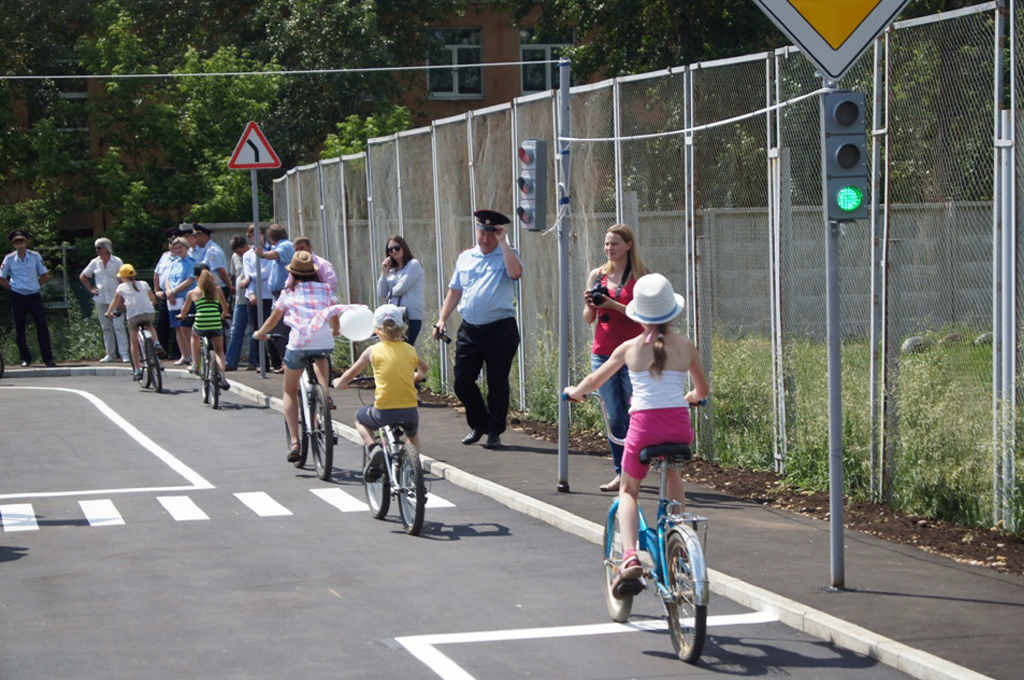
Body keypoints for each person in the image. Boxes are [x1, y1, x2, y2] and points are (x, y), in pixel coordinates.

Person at [564, 273, 709, 591]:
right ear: (672, 313)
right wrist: (692, 399)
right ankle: (678, 533)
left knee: (628, 491)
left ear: (638, 314)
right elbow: (702, 390)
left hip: (643, 429)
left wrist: (575, 391)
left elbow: (595, 381)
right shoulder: (687, 347)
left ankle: (630, 556)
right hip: (678, 429)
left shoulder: (629, 349)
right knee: (672, 472)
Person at [432, 209, 523, 450]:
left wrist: (504, 242)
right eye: (482, 232)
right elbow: (455, 290)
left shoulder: (507, 254)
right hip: (470, 329)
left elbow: (515, 273)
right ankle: (479, 423)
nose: (485, 238)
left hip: (500, 329)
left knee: (497, 383)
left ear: (499, 234)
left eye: (491, 234)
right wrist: (442, 319)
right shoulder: (466, 257)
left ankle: (495, 430)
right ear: (477, 231)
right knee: (462, 381)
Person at [253, 251, 340, 462]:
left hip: (298, 343)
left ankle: (294, 442)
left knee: (289, 391)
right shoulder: (326, 289)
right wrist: (335, 330)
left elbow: (274, 319)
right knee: (321, 357)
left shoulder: (288, 293)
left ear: (293, 273)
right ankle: (324, 395)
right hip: (323, 342)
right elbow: (335, 313)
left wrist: (261, 333)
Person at [584, 224, 649, 492]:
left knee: (635, 414)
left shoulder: (642, 277)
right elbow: (589, 319)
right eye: (607, 244)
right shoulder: (597, 275)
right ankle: (621, 473)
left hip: (634, 353)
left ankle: (636, 470)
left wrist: (614, 305)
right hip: (603, 353)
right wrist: (591, 305)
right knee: (614, 417)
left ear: (628, 245)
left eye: (615, 244)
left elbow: (646, 317)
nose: (609, 248)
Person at [334, 304, 428, 481]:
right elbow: (424, 370)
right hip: (409, 410)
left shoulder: (372, 351)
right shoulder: (410, 350)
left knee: (360, 418)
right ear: (402, 327)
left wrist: (338, 383)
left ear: (376, 330)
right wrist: (413, 377)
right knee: (412, 435)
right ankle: (413, 471)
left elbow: (349, 374)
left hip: (383, 411)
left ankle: (373, 448)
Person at [0, 229, 56, 367]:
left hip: (33, 295)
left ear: (26, 243)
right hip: (18, 295)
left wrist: (35, 285)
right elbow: (1, 278)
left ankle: (48, 358)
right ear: (14, 245)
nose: (20, 245)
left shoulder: (35, 256)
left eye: (22, 242)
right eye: (17, 243)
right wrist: (12, 288)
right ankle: (25, 358)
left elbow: (45, 275)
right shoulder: (9, 258)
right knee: (19, 328)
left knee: (42, 326)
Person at [106, 263, 159, 381]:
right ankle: (156, 343)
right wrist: (152, 304)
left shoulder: (121, 287)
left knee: (134, 342)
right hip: (149, 313)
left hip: (134, 316)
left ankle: (137, 369)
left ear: (123, 277)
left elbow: (114, 302)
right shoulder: (144, 284)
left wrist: (109, 313)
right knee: (150, 325)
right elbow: (153, 299)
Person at [179, 266, 230, 390]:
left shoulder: (192, 293)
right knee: (219, 351)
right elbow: (225, 308)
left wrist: (182, 315)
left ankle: (195, 364)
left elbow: (184, 310)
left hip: (201, 324)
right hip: (215, 324)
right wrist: (223, 315)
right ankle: (222, 376)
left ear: (197, 278)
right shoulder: (218, 290)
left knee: (194, 335)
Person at [80, 237, 129, 363]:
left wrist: (122, 299)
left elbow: (122, 280)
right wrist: (91, 289)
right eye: (96, 248)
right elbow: (83, 276)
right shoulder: (94, 262)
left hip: (115, 298)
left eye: (99, 247)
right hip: (101, 299)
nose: (96, 250)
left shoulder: (117, 261)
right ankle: (110, 354)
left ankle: (124, 354)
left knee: (119, 327)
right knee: (106, 327)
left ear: (106, 248)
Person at [243, 223, 280, 371]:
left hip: (268, 294)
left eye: (258, 234)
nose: (255, 237)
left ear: (263, 234)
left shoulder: (271, 251)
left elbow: (267, 271)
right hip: (253, 295)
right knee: (256, 329)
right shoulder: (247, 254)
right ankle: (261, 363)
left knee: (270, 329)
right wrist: (251, 292)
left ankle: (276, 362)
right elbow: (247, 275)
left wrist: (250, 278)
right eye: (252, 235)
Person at [376, 235, 425, 345]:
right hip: (393, 316)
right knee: (392, 349)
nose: (393, 251)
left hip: (409, 316)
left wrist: (389, 293)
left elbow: (400, 289)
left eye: (397, 248)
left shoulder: (413, 264)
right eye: (390, 250)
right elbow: (381, 292)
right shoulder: (392, 270)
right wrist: (384, 273)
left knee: (406, 348)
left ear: (403, 248)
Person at [163, 236, 197, 366]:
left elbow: (189, 281)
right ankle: (185, 355)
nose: (178, 250)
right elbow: (168, 279)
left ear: (186, 248)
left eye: (180, 248)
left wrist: (174, 292)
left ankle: (194, 356)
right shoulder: (173, 263)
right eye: (175, 248)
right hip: (173, 299)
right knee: (177, 327)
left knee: (185, 328)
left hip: (185, 298)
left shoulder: (191, 262)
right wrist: (168, 292)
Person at [153, 226, 182, 358]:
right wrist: (157, 290)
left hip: (179, 294)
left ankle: (177, 352)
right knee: (161, 324)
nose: (172, 246)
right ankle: (161, 351)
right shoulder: (164, 257)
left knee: (178, 324)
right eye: (170, 243)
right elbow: (157, 274)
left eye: (175, 243)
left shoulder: (183, 258)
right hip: (165, 294)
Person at [224, 235, 251, 371]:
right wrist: (231, 287)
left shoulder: (253, 254)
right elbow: (233, 274)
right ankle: (230, 361)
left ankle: (254, 360)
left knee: (253, 331)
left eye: (240, 251)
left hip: (252, 298)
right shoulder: (235, 257)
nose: (239, 254)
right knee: (236, 331)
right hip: (239, 298)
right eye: (236, 252)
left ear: (245, 246)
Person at [192, 224, 233, 297]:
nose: (195, 241)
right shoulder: (208, 249)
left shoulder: (212, 251)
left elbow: (221, 271)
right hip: (213, 289)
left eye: (196, 237)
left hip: (218, 288)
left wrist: (230, 287)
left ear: (203, 236)